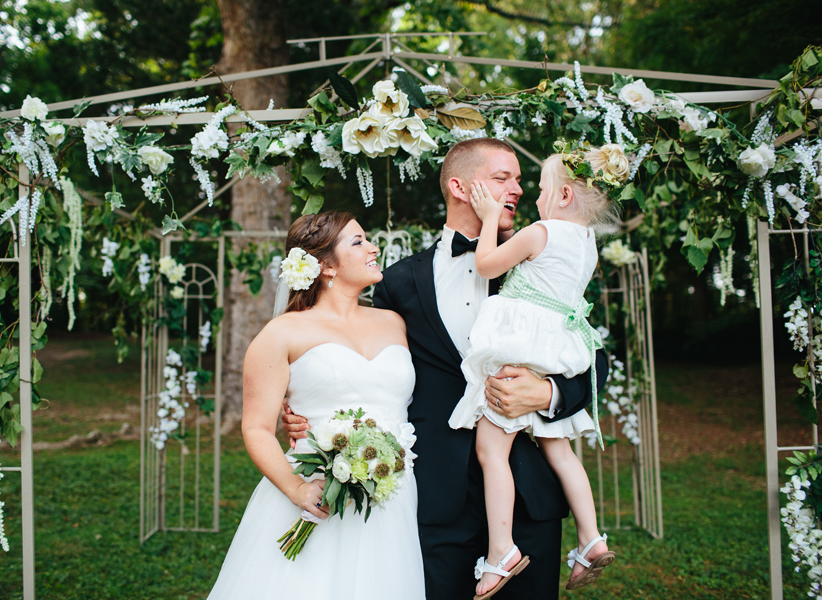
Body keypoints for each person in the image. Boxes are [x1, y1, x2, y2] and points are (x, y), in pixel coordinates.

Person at [285, 138, 609, 600]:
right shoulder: (397, 281)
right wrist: (305, 414)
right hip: (432, 494)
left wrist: (549, 394)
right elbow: (364, 362)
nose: (517, 188)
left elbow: (592, 354)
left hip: (529, 494)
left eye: (520, 179)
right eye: (503, 178)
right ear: (460, 186)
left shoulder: (540, 259)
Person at [206, 211, 425, 600]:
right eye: (358, 242)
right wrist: (296, 489)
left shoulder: (395, 322)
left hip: (391, 494)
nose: (373, 247)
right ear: (325, 265)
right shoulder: (282, 333)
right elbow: (255, 427)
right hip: (317, 487)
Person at [448, 143, 628, 597]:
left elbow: (487, 263)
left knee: (492, 451)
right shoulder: (586, 242)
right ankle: (591, 537)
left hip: (519, 347)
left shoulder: (541, 230)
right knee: (561, 451)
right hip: (556, 349)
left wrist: (489, 218)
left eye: (542, 188)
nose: (533, 196)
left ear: (564, 195)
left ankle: (502, 549)